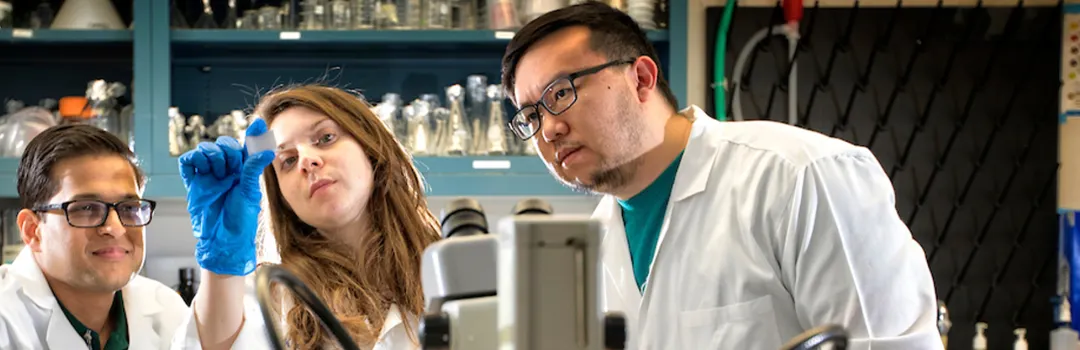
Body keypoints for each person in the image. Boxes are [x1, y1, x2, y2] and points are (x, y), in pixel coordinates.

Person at [500, 2, 943, 349]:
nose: (549, 128)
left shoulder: (800, 177)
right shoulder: (591, 245)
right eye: (530, 115)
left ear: (640, 78)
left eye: (562, 92)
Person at [171, 85, 442, 350]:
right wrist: (222, 267)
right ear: (282, 198)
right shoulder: (273, 296)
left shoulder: (450, 268)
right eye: (287, 160)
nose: (307, 160)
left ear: (370, 148)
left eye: (326, 138)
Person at [0, 124, 189, 350]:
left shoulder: (166, 310)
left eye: (129, 208)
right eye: (86, 209)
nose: (116, 228)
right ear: (32, 230)